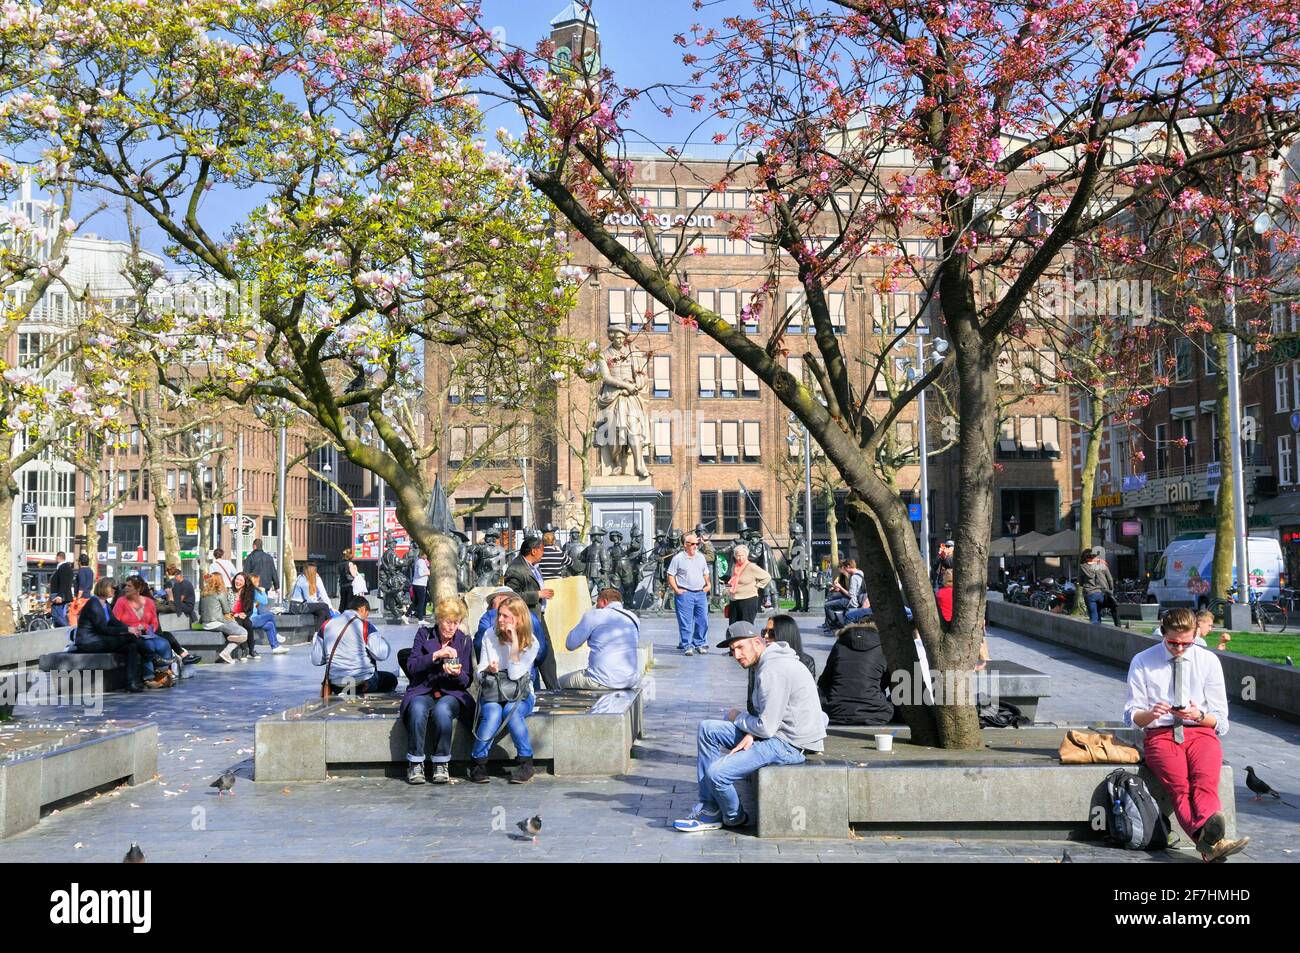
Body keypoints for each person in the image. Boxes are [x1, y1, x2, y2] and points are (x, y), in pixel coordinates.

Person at [674, 620, 828, 832]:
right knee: (707, 729)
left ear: (757, 642)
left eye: (740, 647)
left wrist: (738, 718)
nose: (736, 655)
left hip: (789, 745)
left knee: (717, 774)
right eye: (732, 650)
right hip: (776, 734)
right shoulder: (767, 662)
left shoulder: (772, 670)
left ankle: (734, 817)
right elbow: (769, 720)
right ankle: (710, 806)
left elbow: (766, 727)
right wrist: (751, 733)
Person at [1124, 607, 1248, 862]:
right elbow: (1132, 716)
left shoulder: (1208, 661)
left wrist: (1199, 715)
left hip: (1200, 731)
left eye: (1186, 643)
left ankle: (1209, 845)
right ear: (1162, 632)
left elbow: (1221, 721)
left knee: (1204, 781)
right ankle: (1213, 843)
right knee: (1180, 787)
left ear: (1195, 635)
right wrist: (1151, 714)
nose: (1179, 649)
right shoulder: (1143, 661)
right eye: (1172, 643)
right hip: (1160, 733)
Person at [401, 597, 475, 784]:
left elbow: (467, 680)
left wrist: (456, 674)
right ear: (439, 619)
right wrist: (435, 655)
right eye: (447, 622)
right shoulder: (423, 635)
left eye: (455, 623)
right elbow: (411, 666)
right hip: (423, 690)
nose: (451, 627)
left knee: (443, 710)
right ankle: (415, 762)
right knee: (417, 708)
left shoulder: (464, 641)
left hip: (451, 693)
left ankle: (441, 763)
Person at [470, 594, 539, 784]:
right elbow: (479, 673)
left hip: (520, 696)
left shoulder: (531, 642)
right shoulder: (490, 635)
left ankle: (526, 762)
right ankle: (478, 763)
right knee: (492, 713)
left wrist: (514, 642)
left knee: (511, 710)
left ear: (518, 618)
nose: (499, 619)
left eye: (506, 616)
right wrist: (489, 668)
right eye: (499, 615)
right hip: (493, 692)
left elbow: (516, 674)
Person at [75, 577, 156, 692]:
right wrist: (128, 630)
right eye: (113, 588)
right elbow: (102, 629)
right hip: (89, 641)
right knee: (130, 638)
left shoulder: (105, 604)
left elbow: (114, 622)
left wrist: (130, 629)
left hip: (100, 639)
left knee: (131, 647)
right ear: (105, 587)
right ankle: (153, 656)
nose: (116, 590)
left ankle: (131, 683)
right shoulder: (94, 603)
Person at [503, 535, 559, 689]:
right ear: (534, 551)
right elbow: (511, 596)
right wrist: (537, 595)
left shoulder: (533, 566)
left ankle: (553, 689)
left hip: (538, 615)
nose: (543, 553)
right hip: (525, 619)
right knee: (533, 653)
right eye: (541, 550)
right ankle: (536, 690)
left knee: (547, 653)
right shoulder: (515, 569)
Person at [560, 587, 642, 691]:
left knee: (560, 682)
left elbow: (570, 644)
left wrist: (585, 619)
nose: (596, 606)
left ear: (603, 601)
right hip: (630, 679)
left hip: (603, 680)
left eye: (597, 603)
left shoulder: (594, 615)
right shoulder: (633, 617)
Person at [312, 595, 396, 694]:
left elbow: (316, 660)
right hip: (363, 683)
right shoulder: (365, 626)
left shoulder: (326, 625)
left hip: (336, 684)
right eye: (367, 614)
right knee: (391, 680)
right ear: (362, 609)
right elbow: (381, 655)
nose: (366, 617)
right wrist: (382, 640)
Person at [817, 623, 895, 726]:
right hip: (875, 713)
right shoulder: (883, 646)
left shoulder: (840, 644)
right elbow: (891, 683)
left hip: (836, 712)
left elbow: (823, 682)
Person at [112, 576, 175, 686]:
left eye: (129, 586)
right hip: (129, 634)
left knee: (164, 643)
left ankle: (163, 676)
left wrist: (149, 630)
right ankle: (148, 678)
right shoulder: (121, 602)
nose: (125, 588)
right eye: (125, 585)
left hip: (147, 634)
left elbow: (154, 622)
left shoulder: (149, 602)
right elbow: (115, 622)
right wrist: (130, 629)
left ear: (138, 589)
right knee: (148, 645)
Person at [748, 614, 815, 715]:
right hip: (763, 718)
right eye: (764, 632)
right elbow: (751, 704)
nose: (765, 636)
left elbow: (808, 703)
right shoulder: (758, 662)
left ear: (785, 635)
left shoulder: (806, 662)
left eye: (771, 633)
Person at [668, 533, 711, 655]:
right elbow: (671, 575)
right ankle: (687, 645)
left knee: (702, 620)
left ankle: (700, 643)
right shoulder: (678, 558)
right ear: (685, 545)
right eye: (692, 544)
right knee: (685, 622)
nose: (696, 546)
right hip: (685, 593)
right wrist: (676, 589)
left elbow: (705, 573)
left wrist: (708, 585)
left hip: (700, 593)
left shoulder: (701, 557)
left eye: (697, 544)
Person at [200, 573, 250, 664]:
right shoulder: (220, 592)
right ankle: (226, 652)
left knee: (234, 625)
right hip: (217, 623)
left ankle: (232, 639)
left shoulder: (203, 593)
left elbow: (200, 610)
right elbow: (227, 610)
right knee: (244, 633)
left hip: (204, 624)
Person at [725, 544, 772, 625]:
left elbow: (767, 577)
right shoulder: (735, 567)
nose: (740, 558)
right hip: (734, 600)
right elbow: (734, 581)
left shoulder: (751, 567)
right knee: (733, 627)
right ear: (735, 556)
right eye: (738, 556)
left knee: (746, 627)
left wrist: (757, 586)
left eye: (742, 555)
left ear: (746, 555)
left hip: (748, 600)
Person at [290, 562, 334, 631]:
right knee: (324, 606)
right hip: (298, 607)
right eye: (315, 571)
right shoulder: (304, 582)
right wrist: (320, 603)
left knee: (322, 612)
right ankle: (332, 628)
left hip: (301, 605)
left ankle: (316, 635)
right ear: (311, 572)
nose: (316, 573)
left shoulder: (303, 578)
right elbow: (310, 600)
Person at [1081, 550, 1119, 625]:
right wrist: (1111, 589)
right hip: (1102, 593)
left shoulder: (1083, 567)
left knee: (1094, 616)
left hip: (1089, 593)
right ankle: (1118, 625)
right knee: (1113, 606)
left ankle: (1096, 631)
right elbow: (1110, 579)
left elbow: (1081, 582)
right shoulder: (1102, 565)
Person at [823, 558, 863, 630]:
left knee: (827, 605)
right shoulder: (860, 573)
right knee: (832, 599)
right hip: (857, 599)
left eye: (844, 568)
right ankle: (834, 623)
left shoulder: (854, 577)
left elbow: (850, 595)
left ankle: (835, 624)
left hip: (852, 601)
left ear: (848, 566)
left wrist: (840, 587)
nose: (845, 570)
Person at [49, 552, 75, 627]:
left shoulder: (63, 567)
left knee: (57, 616)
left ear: (58, 557)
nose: (55, 559)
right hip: (60, 595)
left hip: (59, 595)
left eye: (56, 557)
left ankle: (69, 630)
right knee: (56, 616)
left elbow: (63, 582)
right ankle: (62, 632)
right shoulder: (65, 567)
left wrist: (59, 595)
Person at [410, 549, 430, 621]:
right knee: (421, 602)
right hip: (420, 584)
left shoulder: (419, 560)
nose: (427, 556)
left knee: (415, 601)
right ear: (423, 554)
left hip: (417, 583)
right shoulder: (421, 562)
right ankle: (420, 619)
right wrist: (428, 572)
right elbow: (420, 573)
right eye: (426, 554)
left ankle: (406, 616)